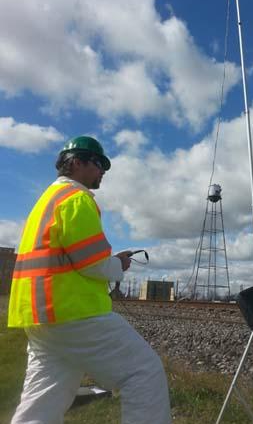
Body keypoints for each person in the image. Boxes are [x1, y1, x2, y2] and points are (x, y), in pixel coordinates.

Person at [8, 136, 171, 424]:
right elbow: (93, 264)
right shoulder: (76, 199)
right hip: (74, 313)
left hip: (38, 317)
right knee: (143, 372)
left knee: (42, 400)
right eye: (98, 164)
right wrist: (118, 265)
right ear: (76, 163)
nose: (103, 171)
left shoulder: (44, 202)